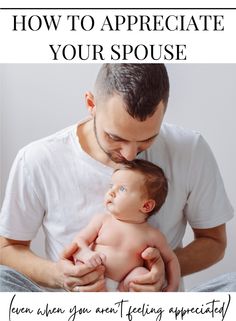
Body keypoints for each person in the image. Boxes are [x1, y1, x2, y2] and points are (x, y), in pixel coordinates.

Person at [0, 64, 234, 292]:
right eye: (115, 137)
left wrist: (162, 272)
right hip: (71, 318)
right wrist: (59, 276)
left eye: (147, 139)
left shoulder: (190, 149)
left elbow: (214, 241)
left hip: (157, 316)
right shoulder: (37, 159)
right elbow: (8, 247)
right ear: (91, 104)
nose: (130, 154)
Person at [73, 159, 180, 292]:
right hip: (95, 281)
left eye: (122, 188)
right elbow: (78, 241)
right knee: (82, 267)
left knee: (141, 273)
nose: (111, 192)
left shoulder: (152, 235)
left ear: (146, 206)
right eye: (111, 186)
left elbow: (170, 260)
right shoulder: (102, 220)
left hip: (125, 287)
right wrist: (86, 254)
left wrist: (172, 286)